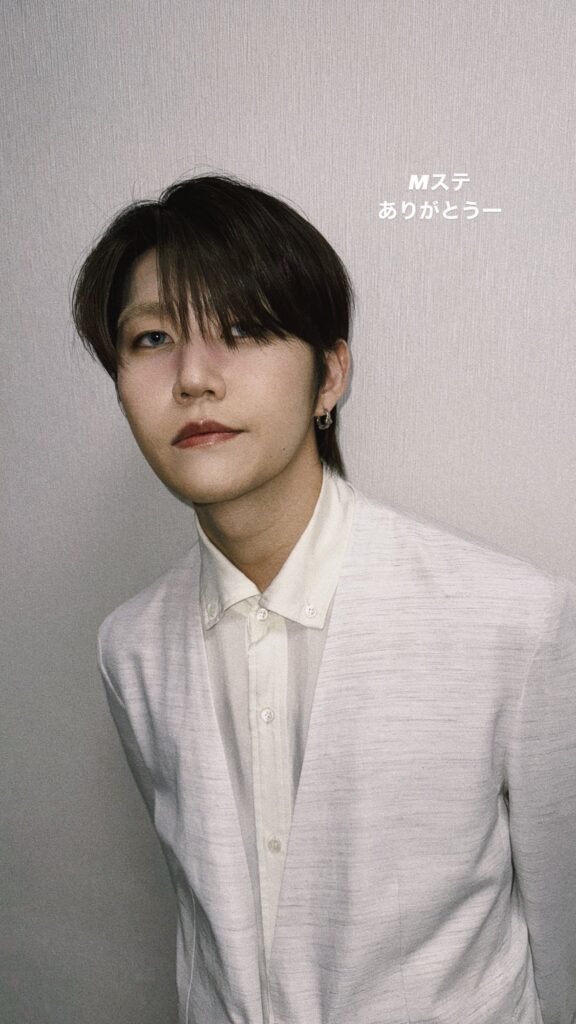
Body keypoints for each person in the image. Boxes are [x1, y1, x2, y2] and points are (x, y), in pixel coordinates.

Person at [72, 174, 576, 1024]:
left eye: (239, 329)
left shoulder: (513, 622)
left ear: (329, 376)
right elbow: (206, 928)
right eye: (152, 338)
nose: (193, 377)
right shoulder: (130, 647)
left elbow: (564, 937)